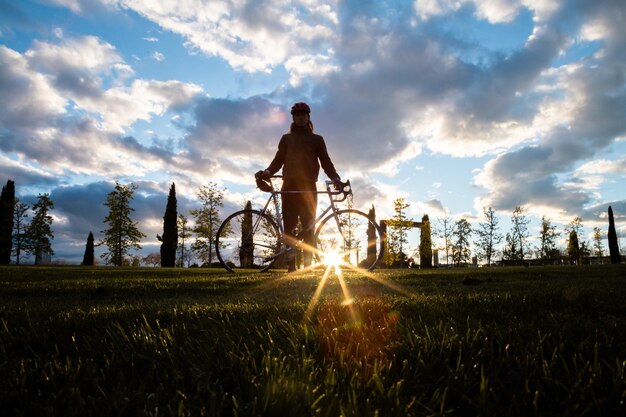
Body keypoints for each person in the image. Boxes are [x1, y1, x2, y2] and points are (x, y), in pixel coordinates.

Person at [256, 102, 341, 272]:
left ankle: (308, 267)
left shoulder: (317, 140)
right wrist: (268, 171)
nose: (301, 117)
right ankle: (291, 266)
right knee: (289, 227)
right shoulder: (287, 139)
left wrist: (335, 177)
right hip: (289, 187)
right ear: (293, 118)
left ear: (308, 117)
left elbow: (326, 161)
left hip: (309, 188)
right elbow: (278, 160)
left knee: (309, 227)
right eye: (297, 114)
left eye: (304, 114)